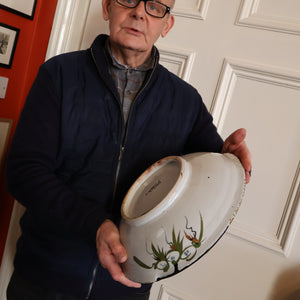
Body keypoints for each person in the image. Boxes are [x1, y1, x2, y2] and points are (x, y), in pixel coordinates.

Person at [5, 0, 251, 299]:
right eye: (128, 0)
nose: (139, 12)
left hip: (126, 288)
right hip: (44, 278)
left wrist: (231, 159)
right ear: (107, 8)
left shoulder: (186, 101)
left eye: (155, 7)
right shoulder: (59, 75)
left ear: (166, 25)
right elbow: (23, 172)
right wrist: (95, 224)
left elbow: (210, 177)